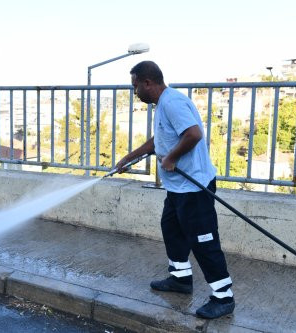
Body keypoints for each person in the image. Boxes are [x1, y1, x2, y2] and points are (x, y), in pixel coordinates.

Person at [115, 61, 235, 319]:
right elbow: (160, 140)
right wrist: (130, 157)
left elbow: (193, 134)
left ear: (148, 83)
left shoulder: (172, 103)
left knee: (204, 242)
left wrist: (170, 158)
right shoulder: (162, 104)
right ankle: (180, 279)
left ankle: (224, 297)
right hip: (178, 188)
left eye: (136, 87)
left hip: (194, 186)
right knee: (171, 229)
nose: (135, 92)